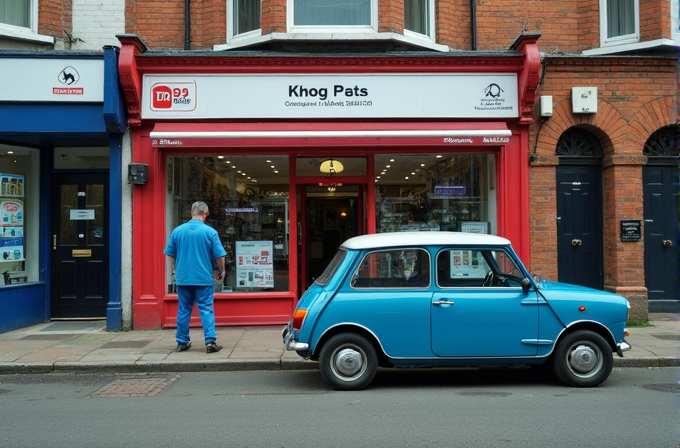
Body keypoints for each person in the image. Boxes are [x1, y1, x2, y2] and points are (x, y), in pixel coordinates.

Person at [164, 201, 227, 353]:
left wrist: (175, 268)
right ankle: (210, 341)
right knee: (206, 309)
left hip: (183, 278)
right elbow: (219, 256)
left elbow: (170, 253)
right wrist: (221, 271)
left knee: (184, 309)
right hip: (203, 278)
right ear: (204, 214)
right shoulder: (209, 232)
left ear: (192, 213)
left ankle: (182, 341)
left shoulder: (177, 231)